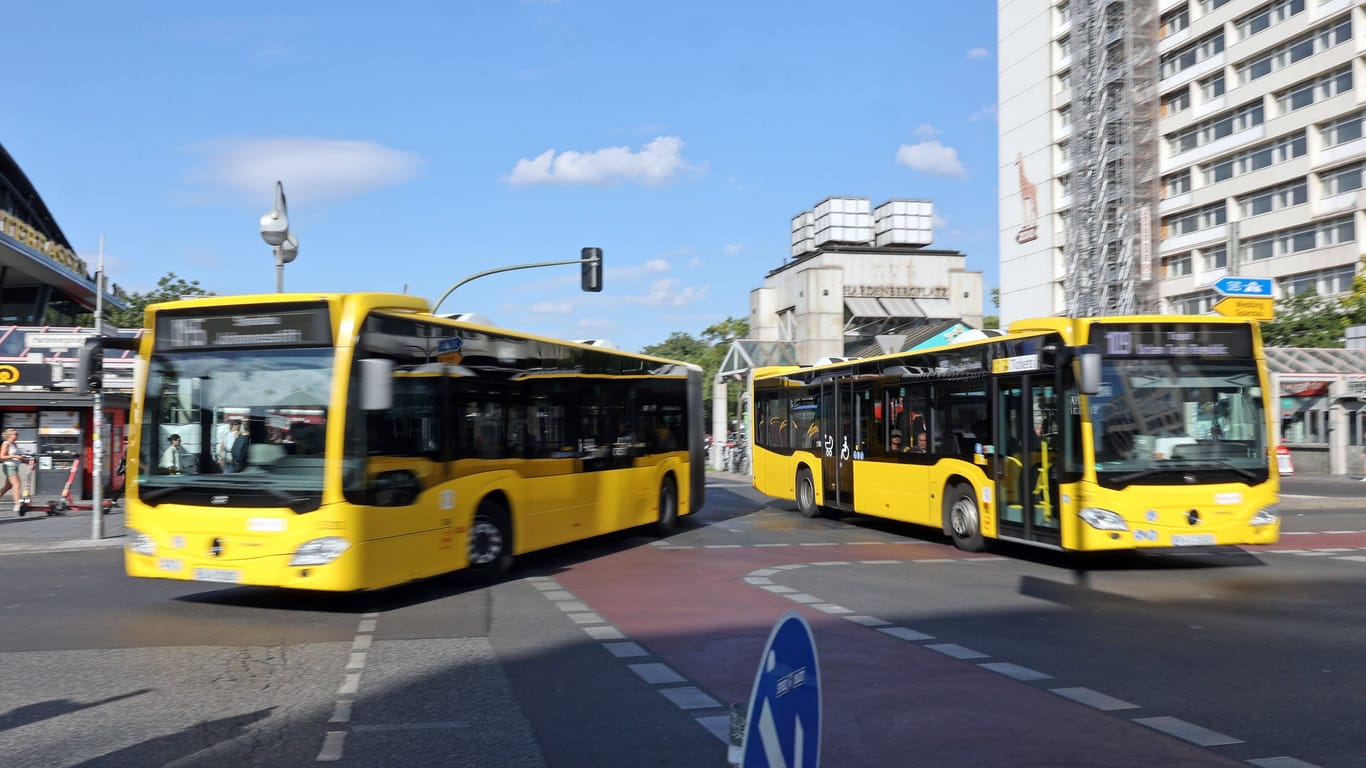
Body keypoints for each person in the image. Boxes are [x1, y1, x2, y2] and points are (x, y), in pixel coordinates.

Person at [1, 427, 28, 513]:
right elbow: (1, 457)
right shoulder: (6, 443)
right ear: (9, 435)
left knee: (8, 486)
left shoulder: (14, 444)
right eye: (15, 434)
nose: (17, 435)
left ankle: (17, 504)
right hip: (9, 467)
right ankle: (17, 504)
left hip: (14, 466)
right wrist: (14, 456)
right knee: (17, 484)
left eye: (17, 434)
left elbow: (17, 457)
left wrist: (26, 461)